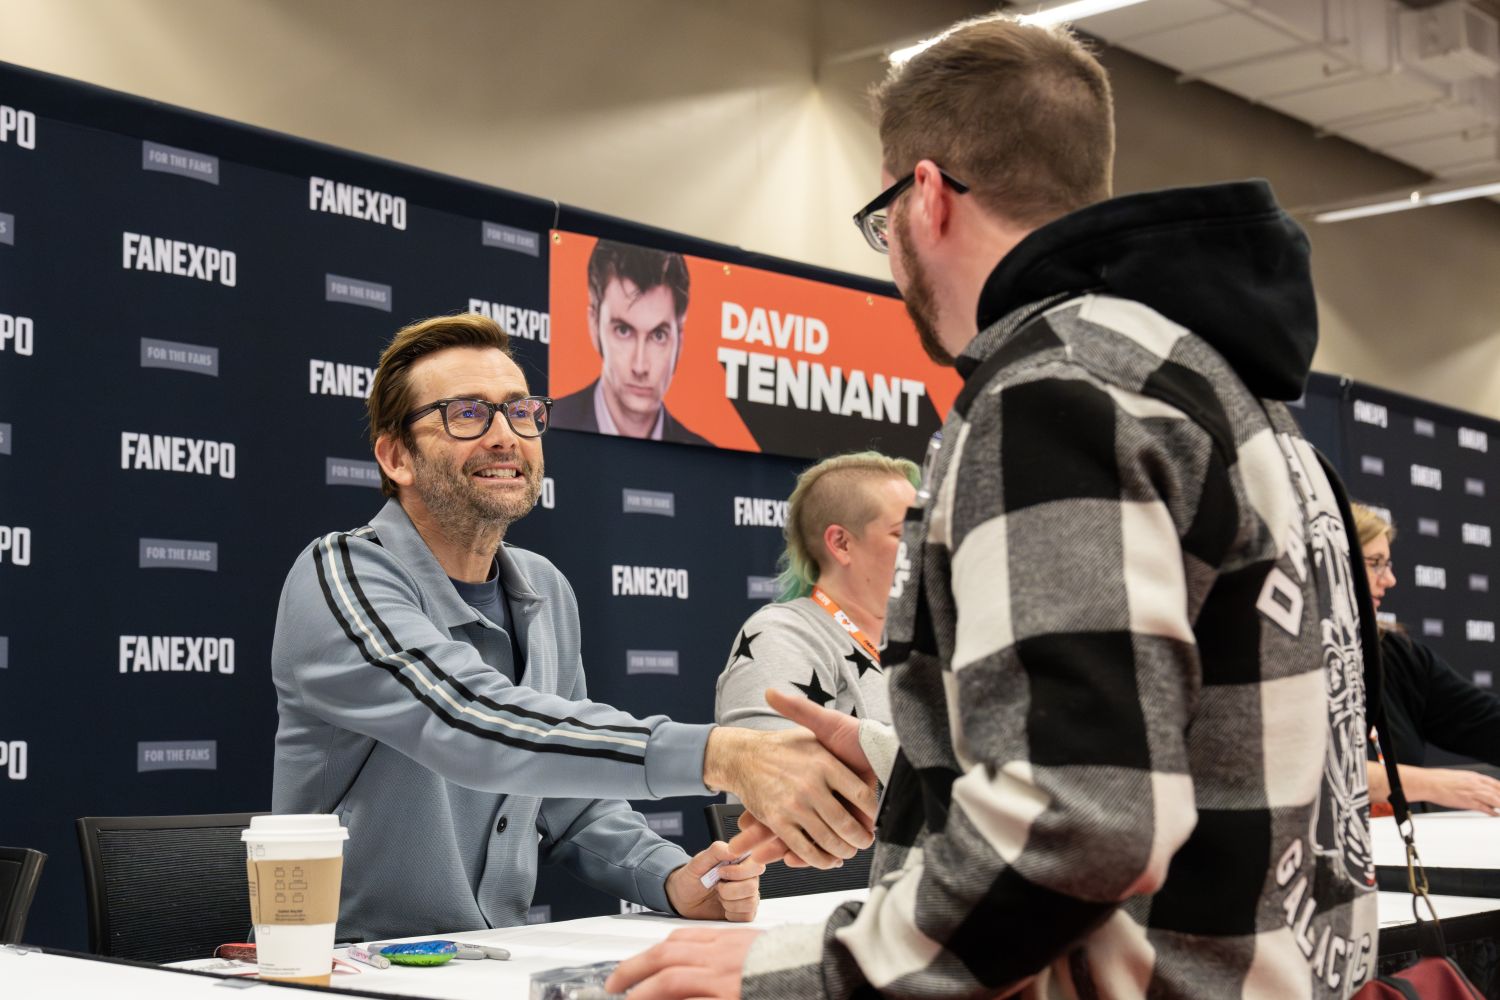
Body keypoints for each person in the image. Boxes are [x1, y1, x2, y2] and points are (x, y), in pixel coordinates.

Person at [608, 14, 1378, 999]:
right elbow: (1192, 750)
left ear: (924, 195)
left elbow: (1085, 818)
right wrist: (912, 769)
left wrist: (822, 974)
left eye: (881, 223)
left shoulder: (1052, 397)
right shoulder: (1220, 388)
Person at [270, 313, 877, 943]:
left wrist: (674, 880)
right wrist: (724, 753)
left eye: (521, 412)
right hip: (344, 970)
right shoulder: (342, 572)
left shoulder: (545, 587)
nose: (506, 436)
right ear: (397, 457)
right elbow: (469, 722)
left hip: (488, 964)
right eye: (467, 414)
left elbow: (568, 797)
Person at [716, 452, 917, 730]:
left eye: (926, 529)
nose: (924, 544)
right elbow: (775, 766)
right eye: (904, 532)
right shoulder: (783, 635)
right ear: (841, 543)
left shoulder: (927, 643)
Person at [1353, 502, 1500, 815]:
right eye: (1375, 563)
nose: (1389, 579)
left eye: (1388, 564)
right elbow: (1310, 769)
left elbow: (1485, 723)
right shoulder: (1286, 661)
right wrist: (1431, 785)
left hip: (1397, 857)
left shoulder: (1396, 656)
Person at [550, 240, 709, 444]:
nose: (640, 366)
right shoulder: (542, 430)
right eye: (623, 331)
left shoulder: (704, 459)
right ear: (594, 324)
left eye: (658, 335)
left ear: (680, 340)